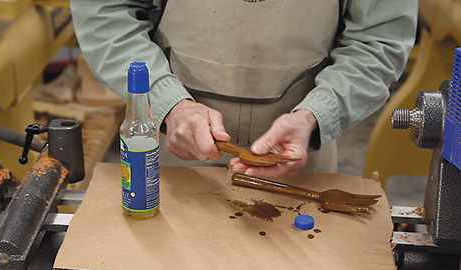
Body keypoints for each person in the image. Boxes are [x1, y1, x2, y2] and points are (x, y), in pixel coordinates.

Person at [70, 0, 417, 177]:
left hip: (299, 158)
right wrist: (169, 102)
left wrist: (318, 114)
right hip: (174, 149)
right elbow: (106, 15)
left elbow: (379, 39)